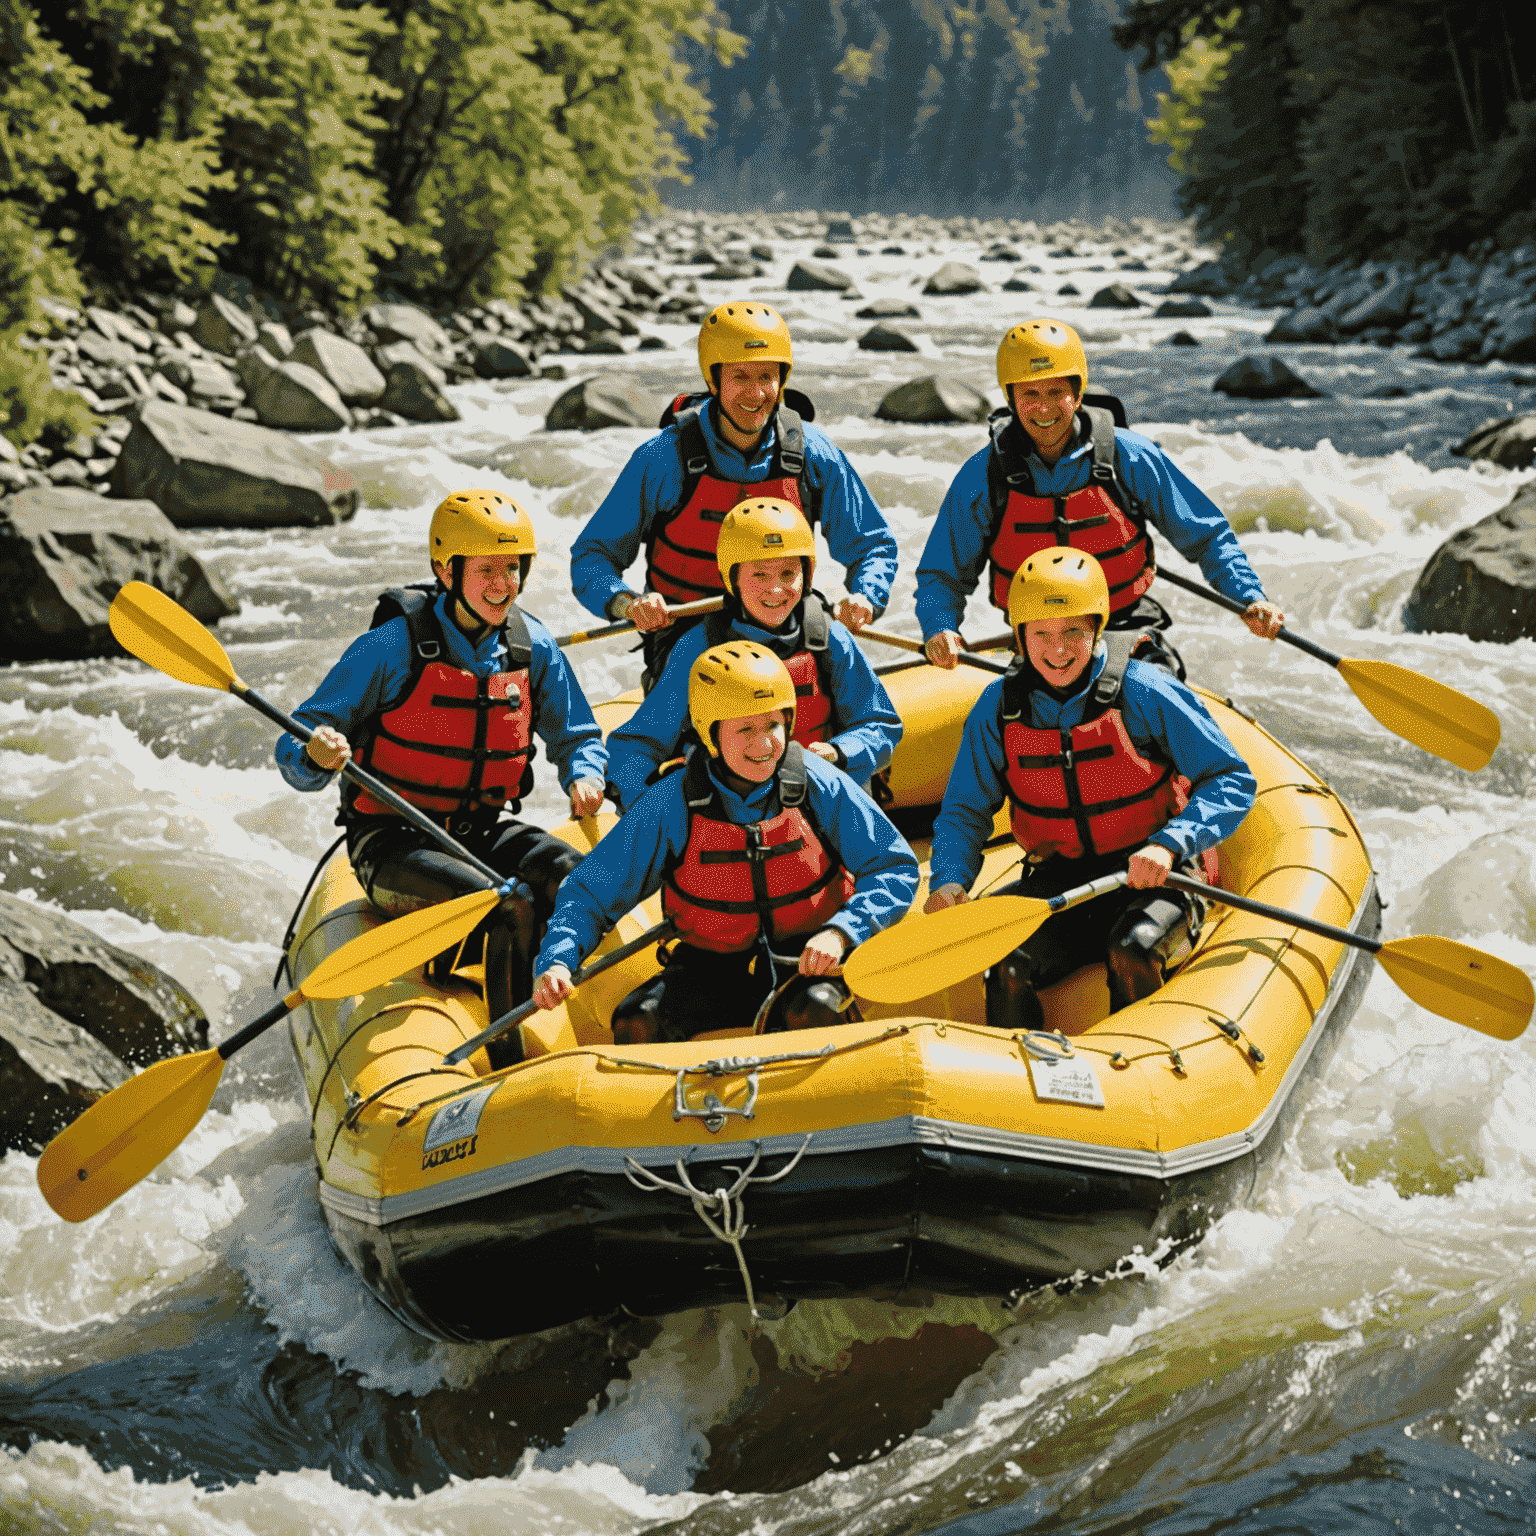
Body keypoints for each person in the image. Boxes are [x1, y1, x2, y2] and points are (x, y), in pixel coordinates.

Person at [275, 489, 607, 1058]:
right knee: (508, 902)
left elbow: (578, 734)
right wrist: (315, 752)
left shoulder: (532, 647)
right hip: (392, 841)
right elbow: (296, 743)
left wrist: (584, 774)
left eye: (513, 567)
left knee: (571, 877)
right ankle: (506, 1060)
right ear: (444, 570)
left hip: (477, 828)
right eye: (486, 570)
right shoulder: (390, 647)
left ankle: (476, 962)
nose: (503, 584)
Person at [924, 549, 1256, 1033]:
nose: (1057, 650)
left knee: (1134, 948)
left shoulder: (1145, 690)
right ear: (1019, 635)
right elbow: (965, 810)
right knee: (1006, 964)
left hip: (1159, 873)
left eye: (1073, 632)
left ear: (1097, 628)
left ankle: (1140, 1074)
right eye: (1041, 633)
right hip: (1065, 880)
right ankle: (1018, 1086)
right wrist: (951, 880)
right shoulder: (998, 709)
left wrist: (1171, 843)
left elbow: (1230, 777)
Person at [531, 642, 919, 1043]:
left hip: (811, 958)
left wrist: (842, 932)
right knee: (637, 1022)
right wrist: (559, 958)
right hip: (713, 965)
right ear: (712, 734)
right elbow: (591, 892)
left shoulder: (818, 782)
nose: (764, 744)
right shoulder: (672, 802)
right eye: (745, 729)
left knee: (814, 1010)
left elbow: (894, 867)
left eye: (773, 725)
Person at [916, 317, 1285, 672]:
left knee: (1153, 700)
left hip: (1125, 625)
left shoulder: (1131, 456)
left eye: (1056, 392)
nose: (1043, 408)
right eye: (1030, 394)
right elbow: (943, 573)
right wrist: (940, 627)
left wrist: (1249, 595)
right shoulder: (982, 476)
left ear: (1077, 395)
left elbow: (1206, 537)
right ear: (1011, 399)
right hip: (1038, 639)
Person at [569, 300, 898, 684]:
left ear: (783, 379)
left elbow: (872, 544)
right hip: (687, 635)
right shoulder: (664, 458)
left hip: (783, 624)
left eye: (767, 377)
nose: (756, 394)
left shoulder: (813, 453)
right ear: (713, 380)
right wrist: (626, 604)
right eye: (740, 377)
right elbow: (592, 557)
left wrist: (865, 596)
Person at [604, 496, 902, 811]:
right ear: (733, 578)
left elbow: (879, 724)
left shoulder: (831, 638)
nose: (776, 589)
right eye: (760, 575)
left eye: (788, 574)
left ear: (806, 574)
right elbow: (637, 745)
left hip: (819, 802)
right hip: (734, 811)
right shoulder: (699, 648)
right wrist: (645, 809)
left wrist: (841, 753)